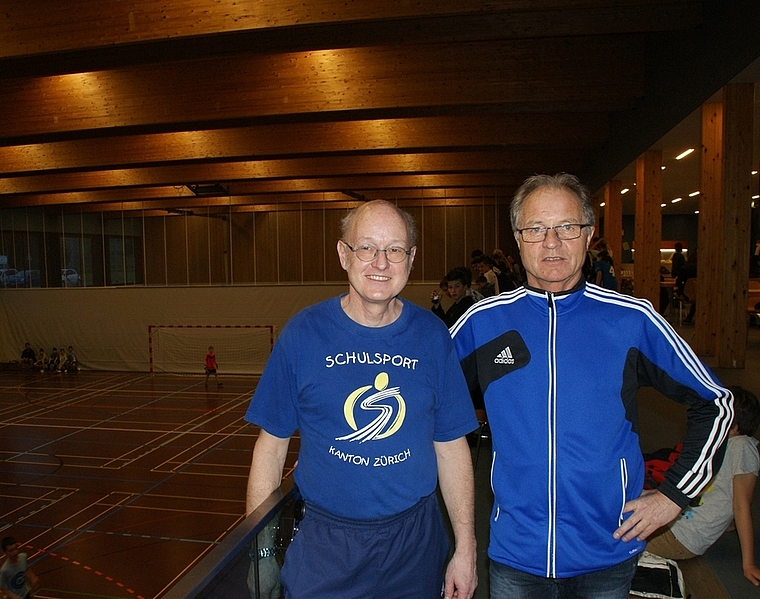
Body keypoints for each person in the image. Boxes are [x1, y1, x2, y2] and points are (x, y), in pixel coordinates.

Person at [448, 173, 733, 599]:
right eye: (535, 229)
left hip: (608, 550)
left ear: (588, 235)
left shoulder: (632, 320)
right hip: (515, 554)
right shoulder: (481, 324)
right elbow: (422, 402)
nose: (551, 242)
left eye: (567, 227)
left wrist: (674, 496)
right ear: (517, 238)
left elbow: (717, 403)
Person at [244, 199, 478, 599]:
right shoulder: (303, 334)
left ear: (412, 258)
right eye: (366, 247)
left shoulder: (433, 336)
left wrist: (467, 545)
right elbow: (271, 448)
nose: (380, 263)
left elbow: (451, 446)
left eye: (394, 250)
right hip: (326, 546)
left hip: (414, 544)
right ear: (343, 254)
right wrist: (260, 551)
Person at [646, 385, 760, 586]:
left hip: (682, 536)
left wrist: (749, 564)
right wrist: (728, 522)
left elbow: (742, 504)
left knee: (615, 541)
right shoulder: (718, 444)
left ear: (734, 427)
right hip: (674, 521)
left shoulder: (742, 447)